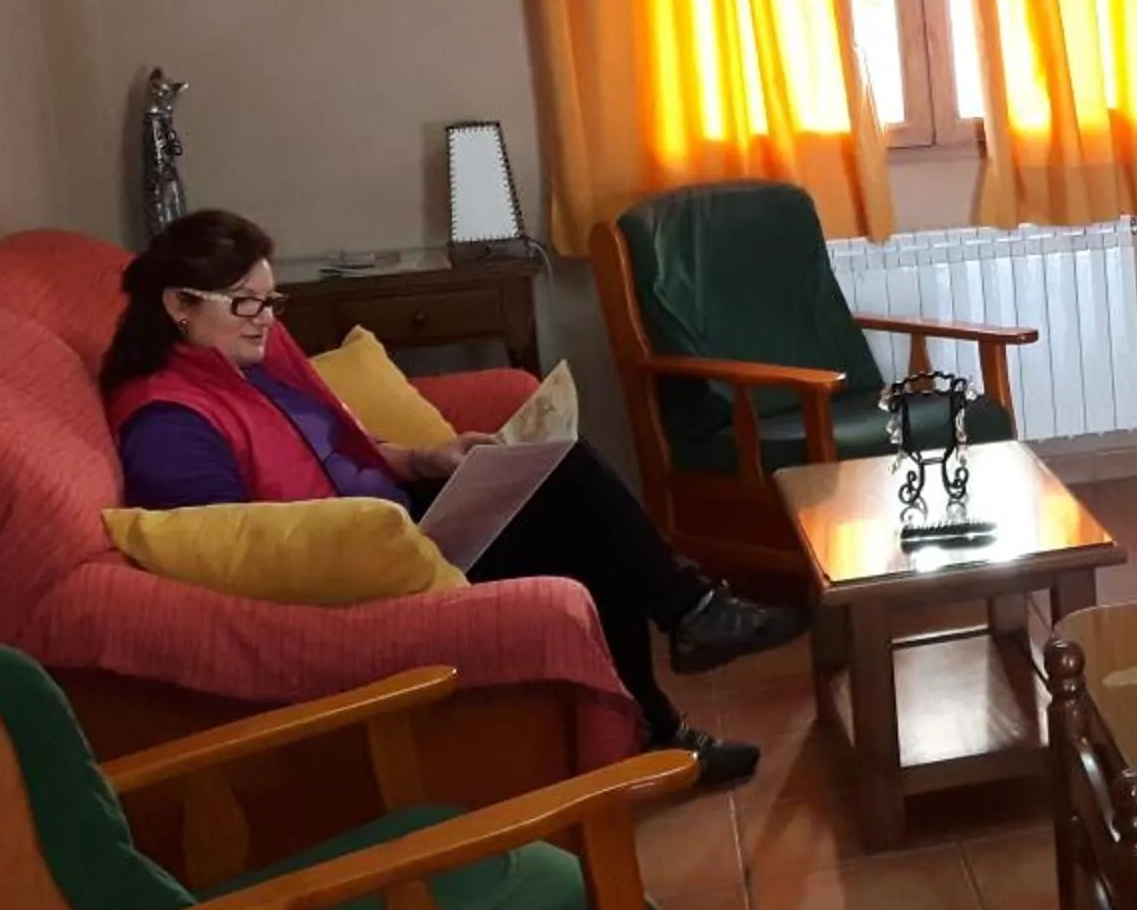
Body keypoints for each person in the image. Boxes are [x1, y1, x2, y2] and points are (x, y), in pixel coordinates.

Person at [102, 210, 802, 787]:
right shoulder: (171, 425)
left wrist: (425, 457)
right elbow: (243, 552)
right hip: (370, 566)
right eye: (247, 302)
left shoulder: (244, 360)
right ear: (178, 305)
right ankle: (686, 632)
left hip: (394, 515)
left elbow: (332, 443)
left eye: (270, 299)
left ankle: (670, 683)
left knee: (559, 472)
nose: (265, 319)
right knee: (579, 519)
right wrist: (388, 528)